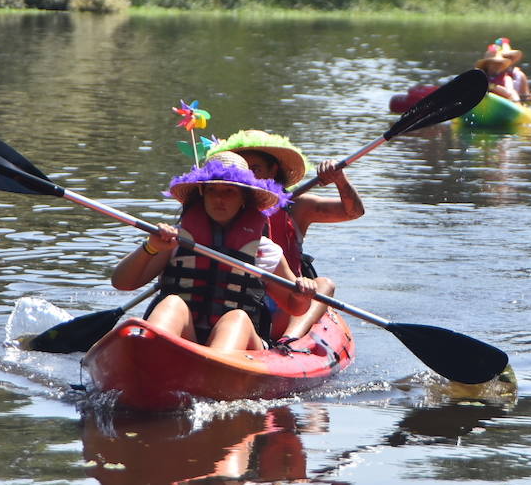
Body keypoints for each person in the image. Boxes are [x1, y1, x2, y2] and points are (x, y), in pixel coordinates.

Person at [111, 151, 317, 353]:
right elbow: (122, 283)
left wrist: (302, 294)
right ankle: (152, 356)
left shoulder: (264, 250)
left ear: (244, 198)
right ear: (202, 193)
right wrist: (151, 247)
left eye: (229, 191)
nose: (219, 199)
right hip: (184, 338)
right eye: (212, 190)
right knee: (172, 304)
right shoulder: (175, 240)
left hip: (242, 348)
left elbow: (295, 308)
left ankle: (214, 369)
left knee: (237, 318)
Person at [206, 130, 364, 341]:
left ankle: (289, 340)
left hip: (285, 301)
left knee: (325, 284)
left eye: (256, 169)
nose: (248, 176)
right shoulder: (220, 206)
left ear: (274, 170)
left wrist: (340, 180)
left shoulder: (297, 206)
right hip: (234, 296)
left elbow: (353, 212)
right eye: (243, 169)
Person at [475, 37, 531, 102]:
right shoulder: (479, 75)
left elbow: (511, 94)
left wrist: (491, 86)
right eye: (493, 63)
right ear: (487, 65)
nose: (497, 66)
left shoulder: (510, 77)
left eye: (499, 63)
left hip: (508, 103)